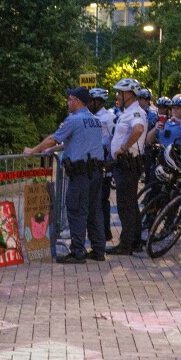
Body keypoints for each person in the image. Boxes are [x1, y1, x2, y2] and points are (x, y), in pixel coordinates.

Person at [25, 87, 105, 264]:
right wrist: (54, 150)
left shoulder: (74, 119)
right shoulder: (95, 121)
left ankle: (78, 252)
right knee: (94, 211)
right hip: (96, 172)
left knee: (76, 210)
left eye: (69, 99)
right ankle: (99, 250)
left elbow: (52, 138)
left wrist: (33, 151)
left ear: (77, 101)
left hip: (81, 174)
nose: (67, 103)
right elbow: (79, 142)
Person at [105, 78, 147, 256]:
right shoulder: (128, 111)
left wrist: (122, 148)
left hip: (128, 164)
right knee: (130, 204)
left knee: (125, 205)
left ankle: (126, 244)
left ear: (128, 94)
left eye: (119, 92)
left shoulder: (135, 112)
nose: (117, 95)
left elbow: (137, 130)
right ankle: (135, 241)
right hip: (124, 164)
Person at [88, 87, 115, 246]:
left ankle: (105, 232)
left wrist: (111, 160)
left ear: (98, 101)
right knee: (98, 199)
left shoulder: (108, 117)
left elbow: (114, 138)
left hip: (105, 162)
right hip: (95, 162)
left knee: (102, 198)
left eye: (91, 101)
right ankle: (104, 232)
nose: (88, 104)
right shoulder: (91, 117)